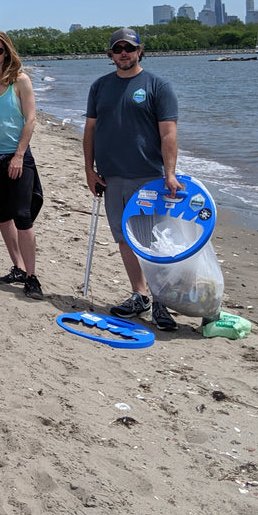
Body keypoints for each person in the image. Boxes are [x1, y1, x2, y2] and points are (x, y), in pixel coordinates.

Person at [83, 27, 180, 331]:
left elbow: (168, 133)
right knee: (125, 238)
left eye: (129, 48)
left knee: (154, 241)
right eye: (118, 48)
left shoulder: (157, 86)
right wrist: (89, 169)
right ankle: (140, 295)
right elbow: (90, 131)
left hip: (149, 178)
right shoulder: (100, 87)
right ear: (110, 55)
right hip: (112, 177)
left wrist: (170, 173)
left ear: (140, 51)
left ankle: (162, 301)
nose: (123, 53)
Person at [0, 29, 45, 300]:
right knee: (3, 215)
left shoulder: (20, 81)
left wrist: (18, 155)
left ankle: (31, 276)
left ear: (7, 52)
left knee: (23, 217)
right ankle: (18, 267)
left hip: (17, 157)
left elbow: (31, 119)